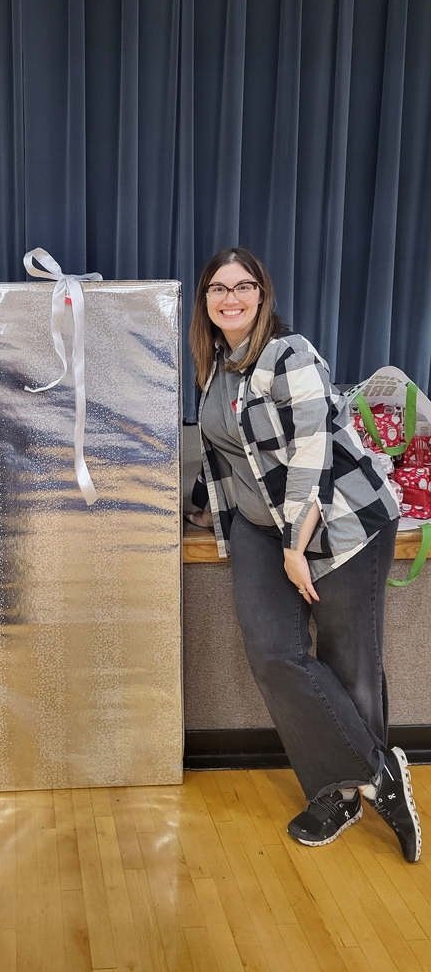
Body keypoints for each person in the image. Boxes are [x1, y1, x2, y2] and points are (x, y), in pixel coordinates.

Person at [187, 246, 421, 862]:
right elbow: (225, 453)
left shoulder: (291, 354)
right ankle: (378, 772)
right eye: (218, 288)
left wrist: (296, 545)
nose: (230, 298)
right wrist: (198, 510)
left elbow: (311, 457)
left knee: (350, 660)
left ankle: (339, 796)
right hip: (260, 528)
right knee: (273, 654)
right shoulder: (215, 365)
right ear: (205, 300)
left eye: (243, 286)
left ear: (262, 294)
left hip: (340, 522)